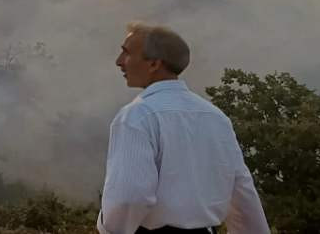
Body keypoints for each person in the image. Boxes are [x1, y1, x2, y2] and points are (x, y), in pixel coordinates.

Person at [98, 22, 269, 234]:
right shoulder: (216, 117)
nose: (119, 62)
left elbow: (130, 197)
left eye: (126, 53)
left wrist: (110, 230)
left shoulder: (137, 117)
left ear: (154, 64)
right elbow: (242, 193)